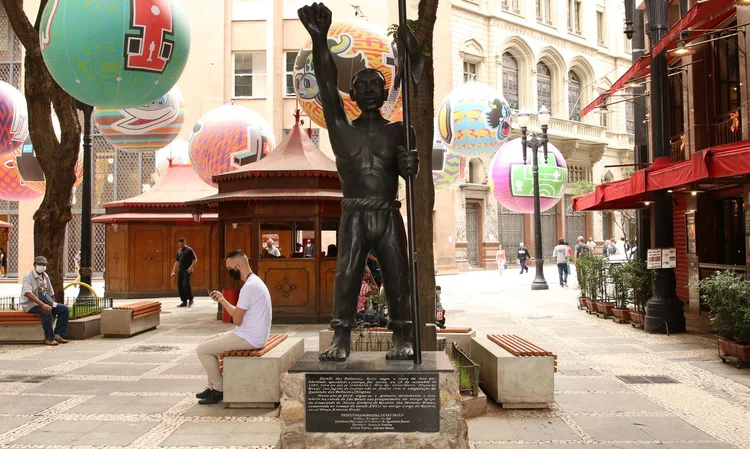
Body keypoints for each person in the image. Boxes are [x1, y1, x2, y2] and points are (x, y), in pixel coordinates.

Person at [299, 3, 420, 362]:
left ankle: (402, 334)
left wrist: (409, 164)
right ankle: (341, 337)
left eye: (375, 85)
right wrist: (319, 40)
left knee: (398, 275)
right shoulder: (340, 131)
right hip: (353, 214)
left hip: (387, 214)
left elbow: (409, 175)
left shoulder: (401, 131)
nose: (368, 90)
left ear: (385, 94)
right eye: (360, 85)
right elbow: (325, 80)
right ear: (352, 93)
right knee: (347, 274)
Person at [195, 250, 272, 405]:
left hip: (249, 338)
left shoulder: (249, 287)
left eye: (230, 269)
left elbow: (236, 320)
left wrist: (231, 310)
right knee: (207, 343)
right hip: (251, 334)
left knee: (202, 350)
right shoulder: (255, 282)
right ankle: (211, 387)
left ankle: (219, 389)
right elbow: (238, 314)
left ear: (239, 265)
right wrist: (222, 300)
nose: (229, 272)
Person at [21, 256, 69, 346]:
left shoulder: (45, 276)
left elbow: (50, 292)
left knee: (64, 309)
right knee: (46, 311)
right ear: (34, 265)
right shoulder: (28, 276)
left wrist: (54, 304)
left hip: (45, 301)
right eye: (40, 264)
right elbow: (28, 293)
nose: (42, 266)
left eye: (44, 265)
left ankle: (57, 335)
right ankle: (49, 338)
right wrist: (43, 305)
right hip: (31, 304)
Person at [171, 237, 197, 307]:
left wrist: (191, 267)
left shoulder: (189, 250)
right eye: (180, 244)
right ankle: (184, 301)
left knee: (185, 285)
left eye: (182, 244)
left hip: (188, 270)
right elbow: (176, 261)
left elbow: (195, 259)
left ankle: (191, 299)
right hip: (181, 270)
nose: (181, 246)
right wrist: (173, 271)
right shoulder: (179, 251)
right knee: (180, 286)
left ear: (185, 242)